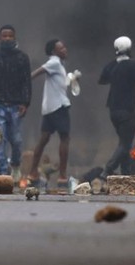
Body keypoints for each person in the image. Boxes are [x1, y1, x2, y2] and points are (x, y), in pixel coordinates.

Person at [98, 36, 135, 178]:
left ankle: (126, 174)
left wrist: (117, 77)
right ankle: (107, 170)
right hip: (126, 111)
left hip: (113, 111)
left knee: (124, 143)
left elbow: (102, 80)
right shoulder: (132, 65)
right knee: (125, 144)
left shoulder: (111, 65)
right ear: (129, 49)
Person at [0, 25, 32, 180]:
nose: (7, 38)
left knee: (16, 140)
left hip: (16, 106)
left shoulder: (22, 58)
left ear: (15, 38)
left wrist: (25, 102)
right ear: (0, 38)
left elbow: (26, 82)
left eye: (10, 36)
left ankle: (15, 164)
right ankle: (2, 172)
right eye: (4, 36)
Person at [27, 39, 80, 190]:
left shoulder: (59, 65)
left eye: (64, 46)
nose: (65, 49)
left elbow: (60, 84)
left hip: (49, 108)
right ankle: (62, 176)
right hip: (59, 107)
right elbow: (37, 73)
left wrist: (73, 80)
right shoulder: (54, 62)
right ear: (53, 51)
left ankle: (32, 173)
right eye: (61, 48)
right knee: (64, 138)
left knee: (43, 139)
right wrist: (24, 79)